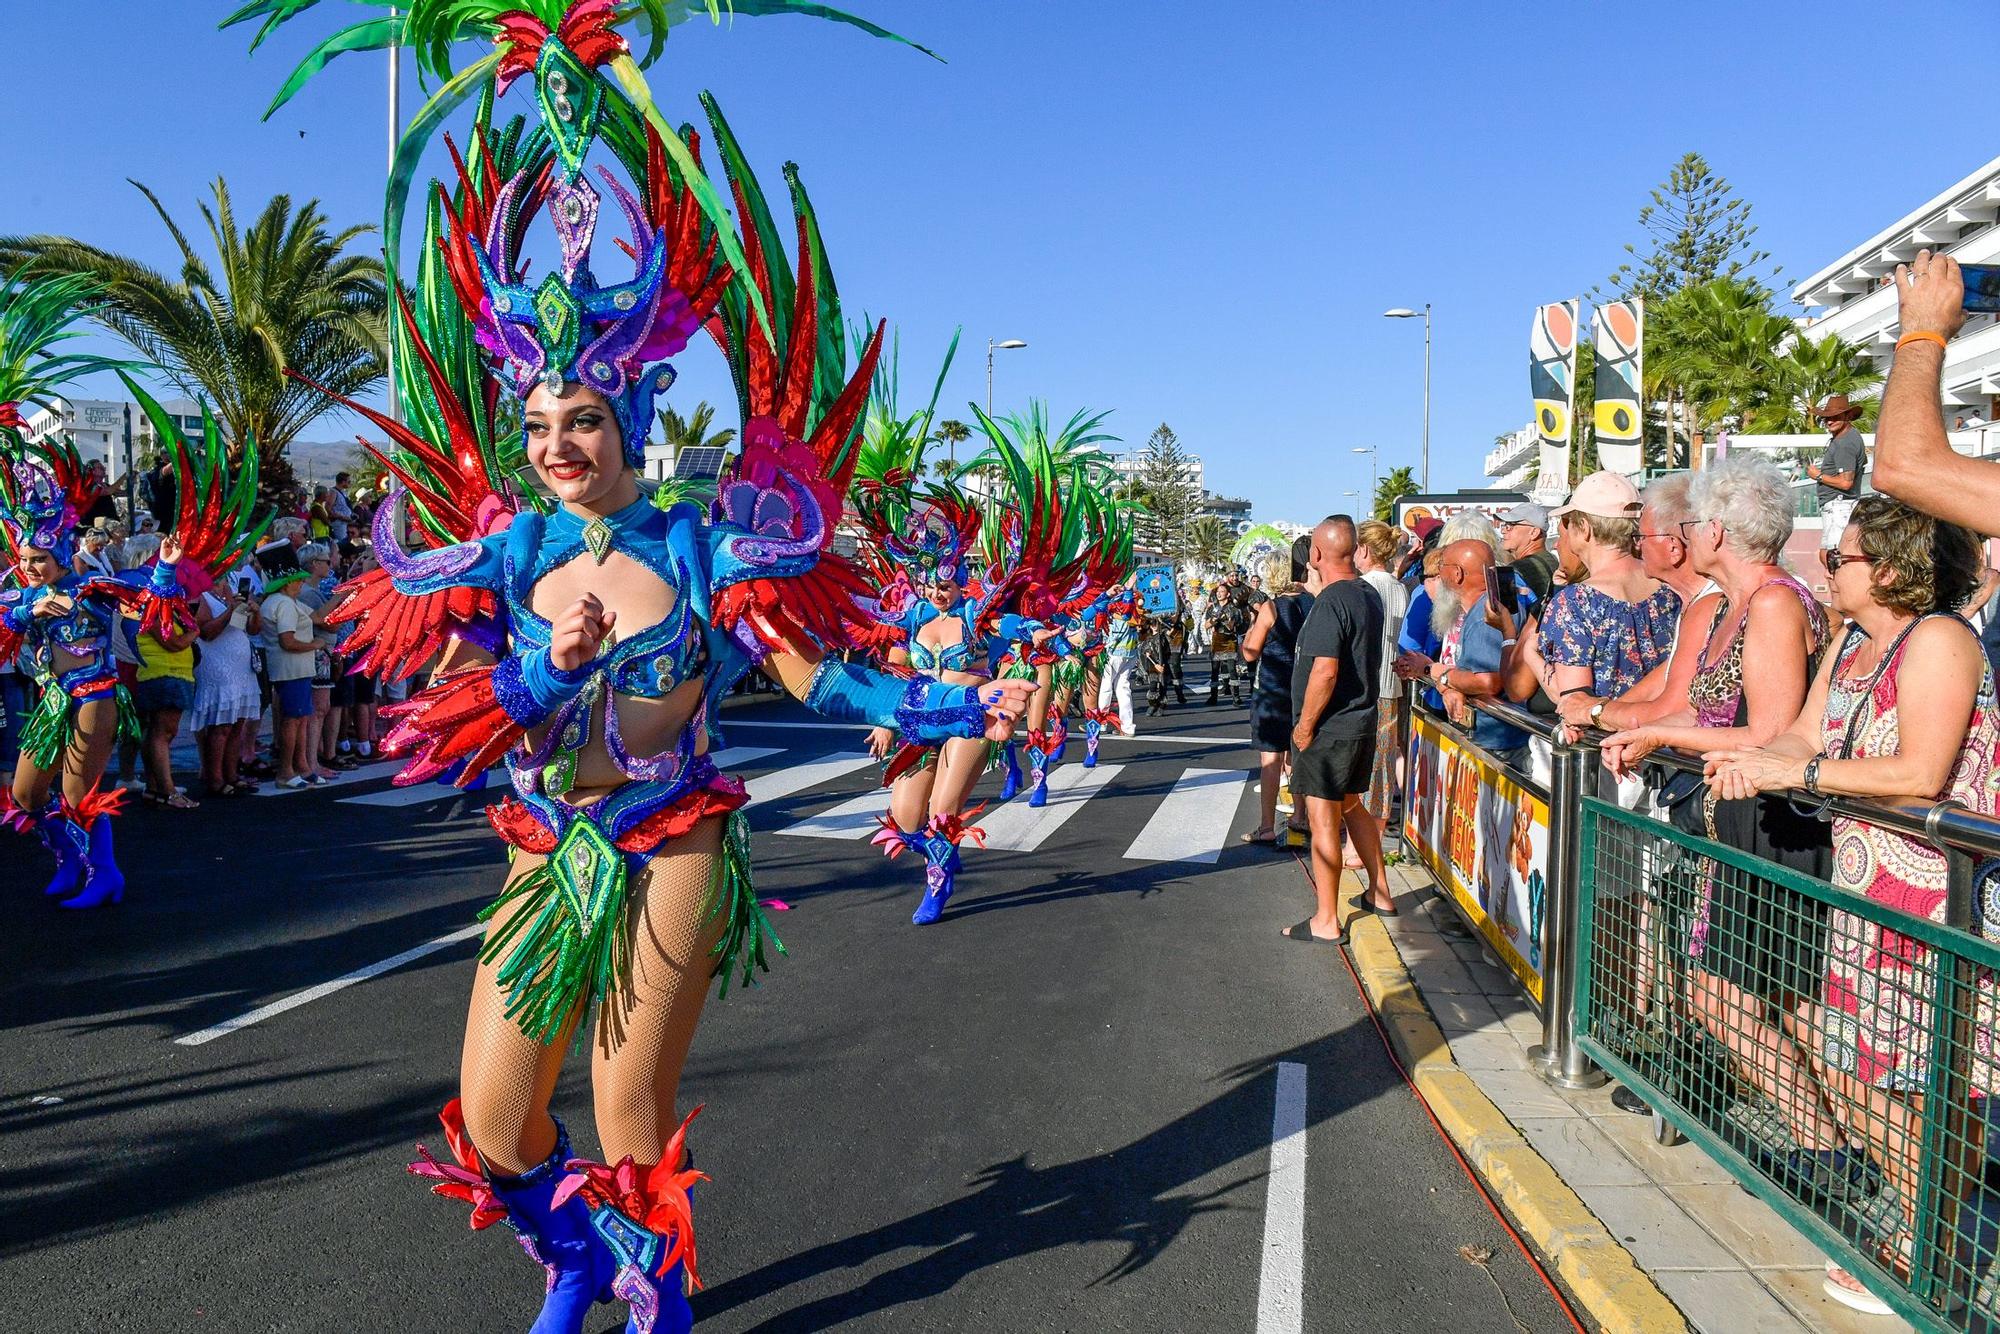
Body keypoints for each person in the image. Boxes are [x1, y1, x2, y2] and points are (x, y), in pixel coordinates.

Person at [231, 24, 1037, 1328]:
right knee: (496, 1118)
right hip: (547, 839)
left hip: (671, 836)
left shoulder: (702, 543)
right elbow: (459, 723)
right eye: (540, 423)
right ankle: (573, 1250)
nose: (557, 443)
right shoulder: (499, 556)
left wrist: (944, 704)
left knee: (623, 1103)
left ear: (633, 417)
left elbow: (819, 679)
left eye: (583, 419)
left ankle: (655, 1280)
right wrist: (546, 674)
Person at [1706, 496, 1994, 1315]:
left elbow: (1920, 771)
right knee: (1862, 1068)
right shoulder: (1854, 641)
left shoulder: (1937, 640)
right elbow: (1801, 733)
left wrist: (1792, 776)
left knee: (1931, 1081)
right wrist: (1755, 759)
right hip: (1866, 889)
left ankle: (1925, 1241)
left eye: (1845, 558)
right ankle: (1925, 1221)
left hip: (1938, 898)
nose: (1829, 569)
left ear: (1897, 569)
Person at [1597, 455, 1840, 1159]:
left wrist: (1652, 732)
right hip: (1733, 822)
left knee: (1737, 998)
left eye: (1696, 521)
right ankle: (1835, 1142)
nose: (1687, 531)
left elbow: (1769, 733)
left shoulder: (1772, 602)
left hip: (1775, 826)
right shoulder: (1734, 605)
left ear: (1719, 532)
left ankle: (1825, 1145)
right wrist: (1651, 728)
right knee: (1776, 999)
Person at [1282, 516, 1388, 941]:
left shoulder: (1332, 601)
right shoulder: (1367, 594)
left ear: (1316, 555)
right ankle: (1380, 892)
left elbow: (1324, 671)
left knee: (1325, 819)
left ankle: (1326, 920)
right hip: (1360, 721)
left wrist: (1304, 728)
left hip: (1331, 728)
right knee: (1351, 806)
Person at [1529, 472, 1678, 735]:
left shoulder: (1575, 602)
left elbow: (1571, 698)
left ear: (1584, 528)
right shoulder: (1670, 586)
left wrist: (1530, 655)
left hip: (1608, 749)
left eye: (1568, 521)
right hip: (1666, 741)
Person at [1398, 539, 1529, 770]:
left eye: (1441, 569)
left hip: (1495, 743)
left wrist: (1436, 672)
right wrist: (1449, 686)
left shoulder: (1485, 613)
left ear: (1457, 574)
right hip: (1493, 737)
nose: (1438, 576)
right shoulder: (1484, 607)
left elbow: (1488, 681)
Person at [1240, 538, 1314, 844]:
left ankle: (1267, 826)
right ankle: (1300, 816)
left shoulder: (1271, 607)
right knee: (1297, 756)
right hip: (1303, 690)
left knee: (1270, 762)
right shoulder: (1313, 602)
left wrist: (1252, 626)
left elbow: (1250, 652)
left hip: (1271, 690)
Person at [1355, 520, 1410, 825]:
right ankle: (1384, 817)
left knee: (1367, 763)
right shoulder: (1400, 588)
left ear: (1363, 549)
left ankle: (1365, 831)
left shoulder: (1364, 587)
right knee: (1387, 759)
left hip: (1368, 685)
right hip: (1393, 685)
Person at [191, 571, 263, 796]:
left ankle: (231, 774)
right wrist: (231, 611)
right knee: (220, 725)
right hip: (217, 663)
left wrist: (255, 613)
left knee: (237, 723)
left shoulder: (229, 590)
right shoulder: (200, 595)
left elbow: (249, 629)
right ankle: (215, 778)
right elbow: (206, 632)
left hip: (240, 665)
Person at [131, 587, 202, 810]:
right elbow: (174, 643)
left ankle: (154, 788)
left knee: (156, 731)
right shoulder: (152, 613)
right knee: (163, 732)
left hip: (166, 675)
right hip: (165, 675)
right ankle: (167, 791)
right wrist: (194, 632)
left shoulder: (163, 612)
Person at [259, 568, 320, 789]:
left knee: (301, 719)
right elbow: (287, 641)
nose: (302, 584)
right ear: (286, 583)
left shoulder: (287, 601)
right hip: (290, 669)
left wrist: (345, 593)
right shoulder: (282, 604)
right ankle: (285, 771)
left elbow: (320, 617)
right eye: (297, 581)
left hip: (298, 669)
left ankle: (302, 766)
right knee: (292, 719)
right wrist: (315, 645)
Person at [1807, 394, 1868, 550]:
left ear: (1848, 416)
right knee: (1827, 553)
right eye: (1827, 418)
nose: (1830, 421)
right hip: (1839, 504)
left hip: (1839, 504)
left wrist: (1818, 476)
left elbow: (1846, 482)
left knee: (1834, 554)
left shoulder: (1844, 444)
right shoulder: (1848, 436)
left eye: (1835, 417)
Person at [1496, 501, 1557, 601]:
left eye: (1511, 525)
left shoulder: (1514, 572)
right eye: (1504, 525)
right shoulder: (1554, 562)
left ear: (1534, 532)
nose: (1503, 531)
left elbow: (1509, 614)